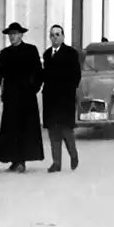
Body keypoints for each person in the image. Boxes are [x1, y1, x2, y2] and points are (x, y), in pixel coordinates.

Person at [0, 22, 44, 173]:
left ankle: (22, 160)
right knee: (11, 129)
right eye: (10, 34)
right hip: (11, 98)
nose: (12, 37)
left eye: (15, 34)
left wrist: (33, 88)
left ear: (21, 35)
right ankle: (14, 160)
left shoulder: (31, 50)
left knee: (25, 129)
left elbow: (39, 72)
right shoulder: (5, 53)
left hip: (27, 97)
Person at [42, 25, 81, 173]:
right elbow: (44, 75)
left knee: (66, 130)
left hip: (65, 98)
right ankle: (56, 162)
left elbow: (76, 75)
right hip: (50, 99)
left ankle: (73, 155)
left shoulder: (71, 53)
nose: (55, 37)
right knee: (53, 132)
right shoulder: (47, 54)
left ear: (63, 36)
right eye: (52, 35)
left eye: (57, 34)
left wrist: (71, 91)